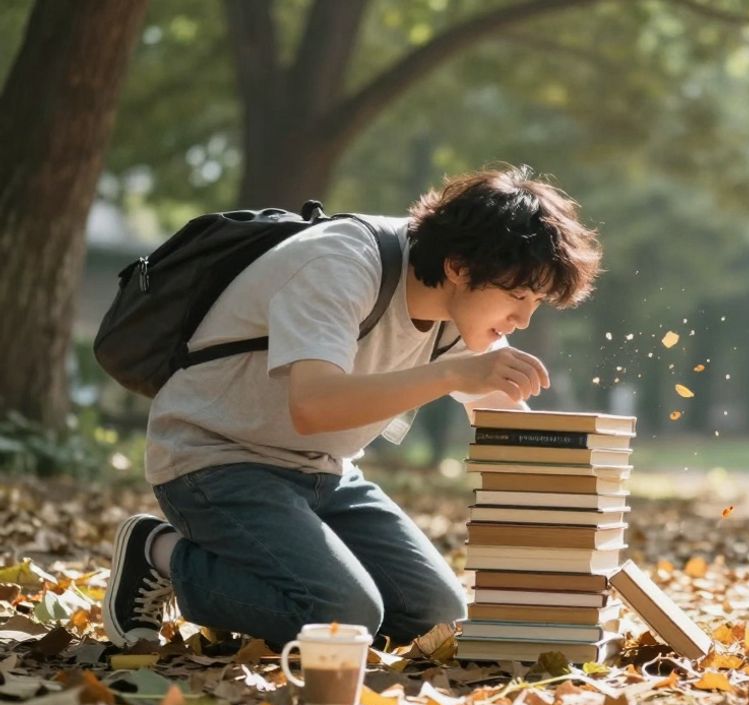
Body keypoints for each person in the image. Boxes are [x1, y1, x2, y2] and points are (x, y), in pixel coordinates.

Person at [101, 165, 602, 649]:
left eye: (535, 301)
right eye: (517, 295)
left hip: (326, 473)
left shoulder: (464, 306)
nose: (522, 319)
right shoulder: (340, 264)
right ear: (458, 267)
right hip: (216, 459)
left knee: (435, 618)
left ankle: (297, 592)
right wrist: (452, 373)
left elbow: (505, 421)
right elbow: (313, 406)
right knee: (342, 616)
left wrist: (577, 517)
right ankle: (158, 552)